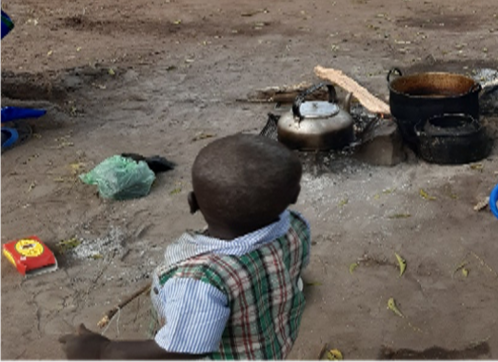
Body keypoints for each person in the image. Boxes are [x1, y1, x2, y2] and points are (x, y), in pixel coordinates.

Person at [60, 134, 311, 362]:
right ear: (294, 195)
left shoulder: (200, 280)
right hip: (270, 346)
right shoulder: (297, 226)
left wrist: (103, 352)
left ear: (192, 203)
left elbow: (182, 349)